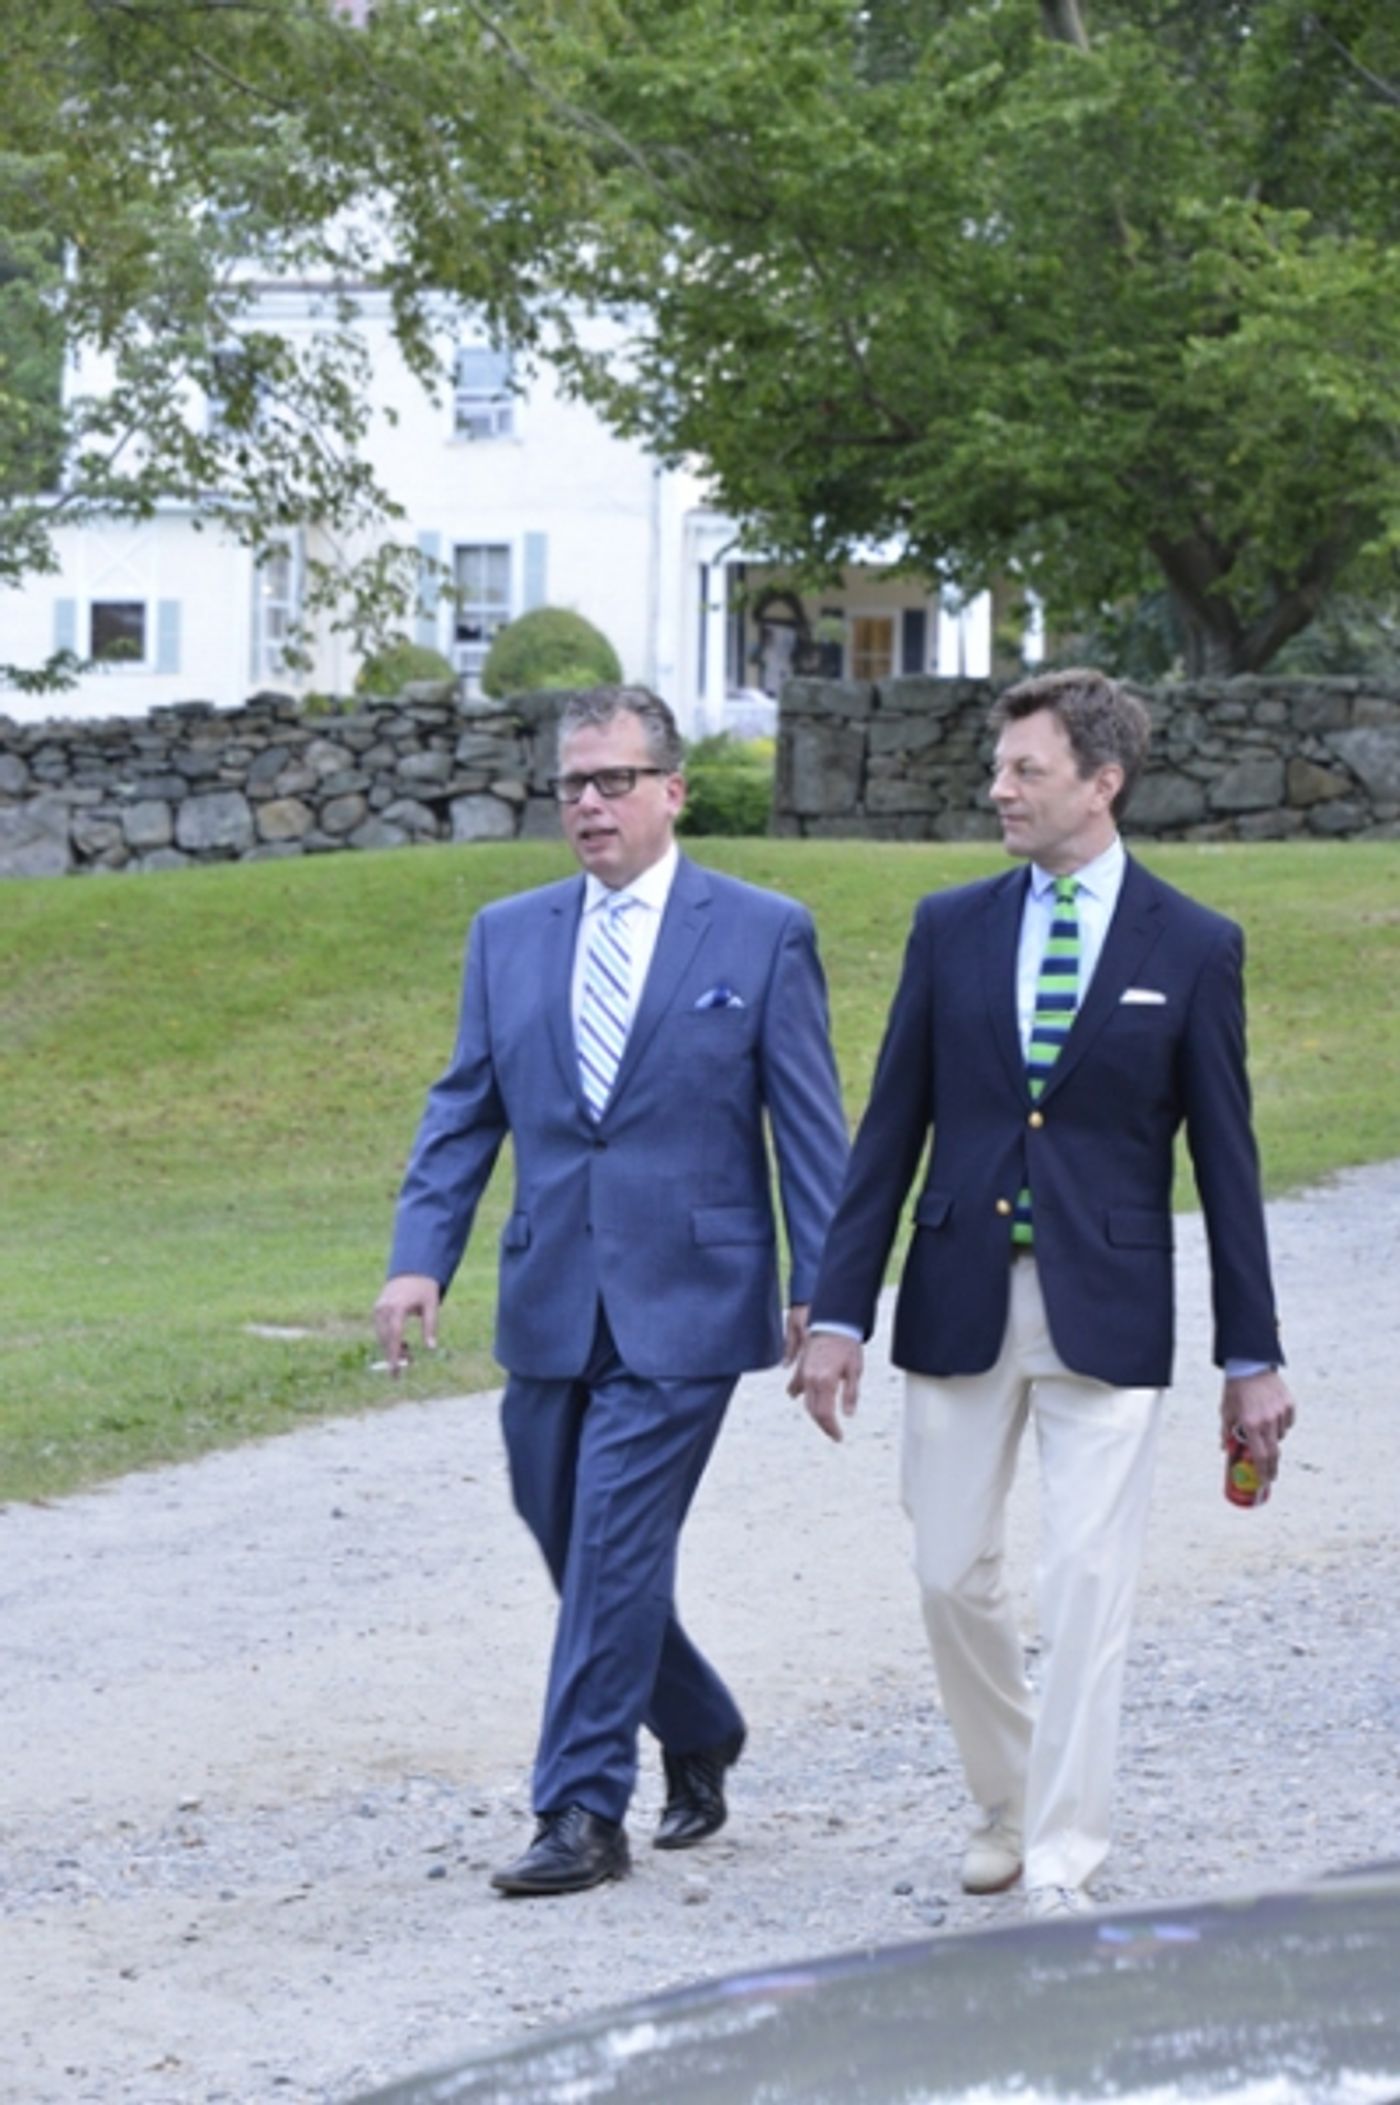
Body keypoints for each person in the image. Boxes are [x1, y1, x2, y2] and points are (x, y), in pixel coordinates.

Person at [792, 666, 1295, 1920]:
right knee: (945, 1573)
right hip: (957, 1293)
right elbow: (887, 1130)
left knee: (1082, 1583)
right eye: (998, 766)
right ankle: (1009, 1795)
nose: (998, 789)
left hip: (1107, 1304)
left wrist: (1251, 1353)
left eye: (1025, 768)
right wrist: (839, 1311)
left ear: (1100, 782)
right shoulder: (948, 926)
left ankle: (1059, 1852)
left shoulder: (1192, 945)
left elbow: (1226, 1163)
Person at [375, 686, 848, 1898]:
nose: (588, 803)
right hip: (549, 1292)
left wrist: (825, 1290)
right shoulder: (508, 934)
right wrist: (419, 1255)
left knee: (613, 1537)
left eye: (613, 780)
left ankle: (581, 1808)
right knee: (566, 1529)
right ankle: (696, 1718)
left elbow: (808, 1126)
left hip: (692, 1296)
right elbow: (462, 1106)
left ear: (671, 790)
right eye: (571, 784)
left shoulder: (759, 932)